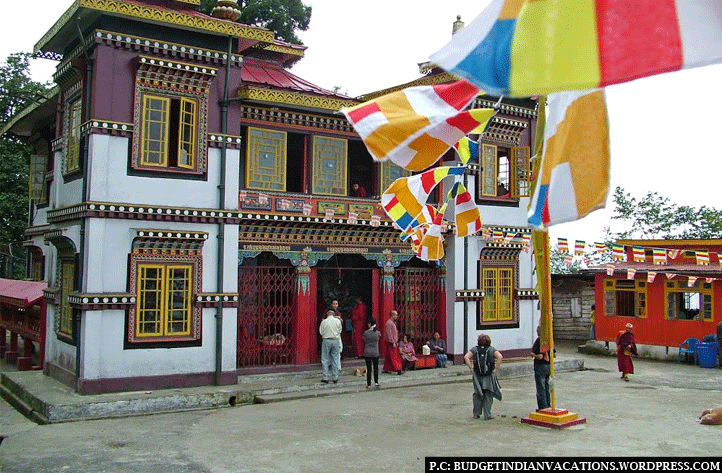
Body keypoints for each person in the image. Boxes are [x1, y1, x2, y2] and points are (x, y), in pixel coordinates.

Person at [464, 334, 503, 420]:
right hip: (488, 376)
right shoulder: (491, 349)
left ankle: (476, 414)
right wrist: (495, 369)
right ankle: (487, 415)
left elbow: (466, 357)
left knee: (478, 394)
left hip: (477, 375)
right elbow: (500, 357)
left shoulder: (475, 349)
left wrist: (471, 368)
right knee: (488, 394)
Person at [531, 326, 552, 411]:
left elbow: (540, 356)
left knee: (540, 387)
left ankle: (543, 407)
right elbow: (554, 354)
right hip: (548, 365)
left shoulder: (539, 341)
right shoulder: (549, 341)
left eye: (537, 331)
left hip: (540, 365)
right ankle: (548, 404)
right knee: (546, 385)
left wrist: (534, 355)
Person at [319, 309, 342, 384]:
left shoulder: (324, 322)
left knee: (325, 359)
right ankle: (335, 377)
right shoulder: (337, 321)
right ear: (334, 314)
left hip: (326, 340)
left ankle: (325, 377)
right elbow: (340, 330)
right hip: (335, 340)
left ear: (327, 314)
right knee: (335, 358)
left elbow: (321, 332)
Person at [382, 310, 404, 375]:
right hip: (391, 343)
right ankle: (398, 369)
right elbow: (389, 334)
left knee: (388, 356)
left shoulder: (391, 322)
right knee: (394, 356)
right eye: (396, 315)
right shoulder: (389, 323)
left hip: (391, 342)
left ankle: (387, 368)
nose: (397, 316)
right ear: (393, 315)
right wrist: (393, 342)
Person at [362, 318, 381, 389]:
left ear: (370, 324)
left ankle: (368, 384)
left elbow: (364, 339)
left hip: (367, 352)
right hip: (375, 352)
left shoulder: (365, 333)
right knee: (376, 368)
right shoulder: (378, 333)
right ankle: (376, 382)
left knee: (369, 369)